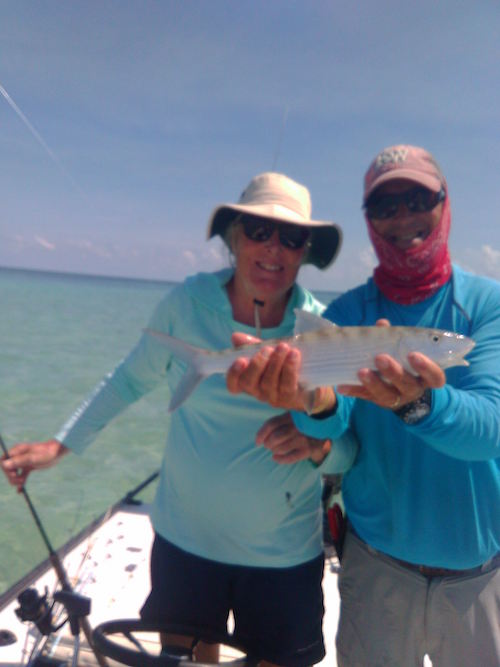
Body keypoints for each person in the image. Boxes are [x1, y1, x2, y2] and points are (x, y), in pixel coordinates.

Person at [1, 171, 357, 667]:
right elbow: (127, 381)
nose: (274, 247)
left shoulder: (323, 332)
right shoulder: (186, 307)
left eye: (292, 237)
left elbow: (348, 452)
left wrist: (318, 446)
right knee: (188, 661)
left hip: (284, 556)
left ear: (305, 251)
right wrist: (58, 446)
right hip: (186, 544)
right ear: (234, 238)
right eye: (259, 230)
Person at [226, 146, 500, 667]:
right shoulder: (347, 312)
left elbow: (492, 428)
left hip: (481, 576)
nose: (403, 216)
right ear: (368, 220)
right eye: (384, 206)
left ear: (446, 204)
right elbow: (339, 435)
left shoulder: (489, 305)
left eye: (418, 198)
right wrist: (312, 402)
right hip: (376, 570)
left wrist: (418, 403)